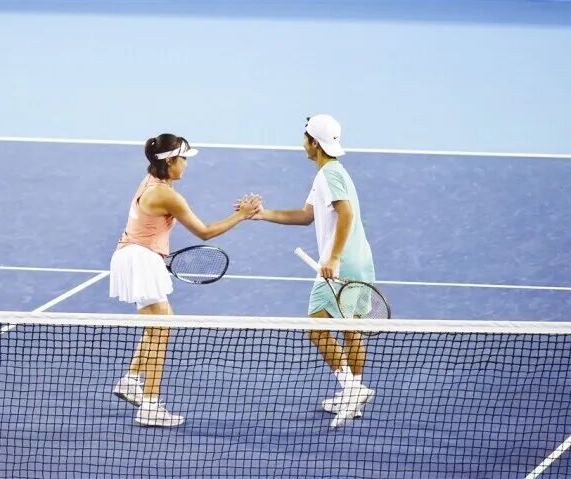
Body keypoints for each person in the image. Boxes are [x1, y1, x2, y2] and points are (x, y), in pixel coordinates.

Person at [110, 134, 260, 427]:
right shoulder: (167, 195)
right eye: (183, 159)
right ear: (170, 161)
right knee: (161, 331)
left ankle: (131, 380)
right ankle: (150, 405)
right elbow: (204, 232)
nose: (186, 164)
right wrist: (241, 216)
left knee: (161, 322)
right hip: (139, 258)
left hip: (134, 255)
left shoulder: (153, 182)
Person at [239, 114, 375, 428]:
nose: (302, 143)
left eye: (305, 138)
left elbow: (346, 214)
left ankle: (352, 389)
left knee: (315, 328)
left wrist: (334, 257)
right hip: (359, 260)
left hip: (341, 263)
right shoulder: (331, 173)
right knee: (351, 330)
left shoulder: (329, 175)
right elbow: (306, 216)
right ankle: (352, 396)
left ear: (314, 142)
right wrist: (263, 214)